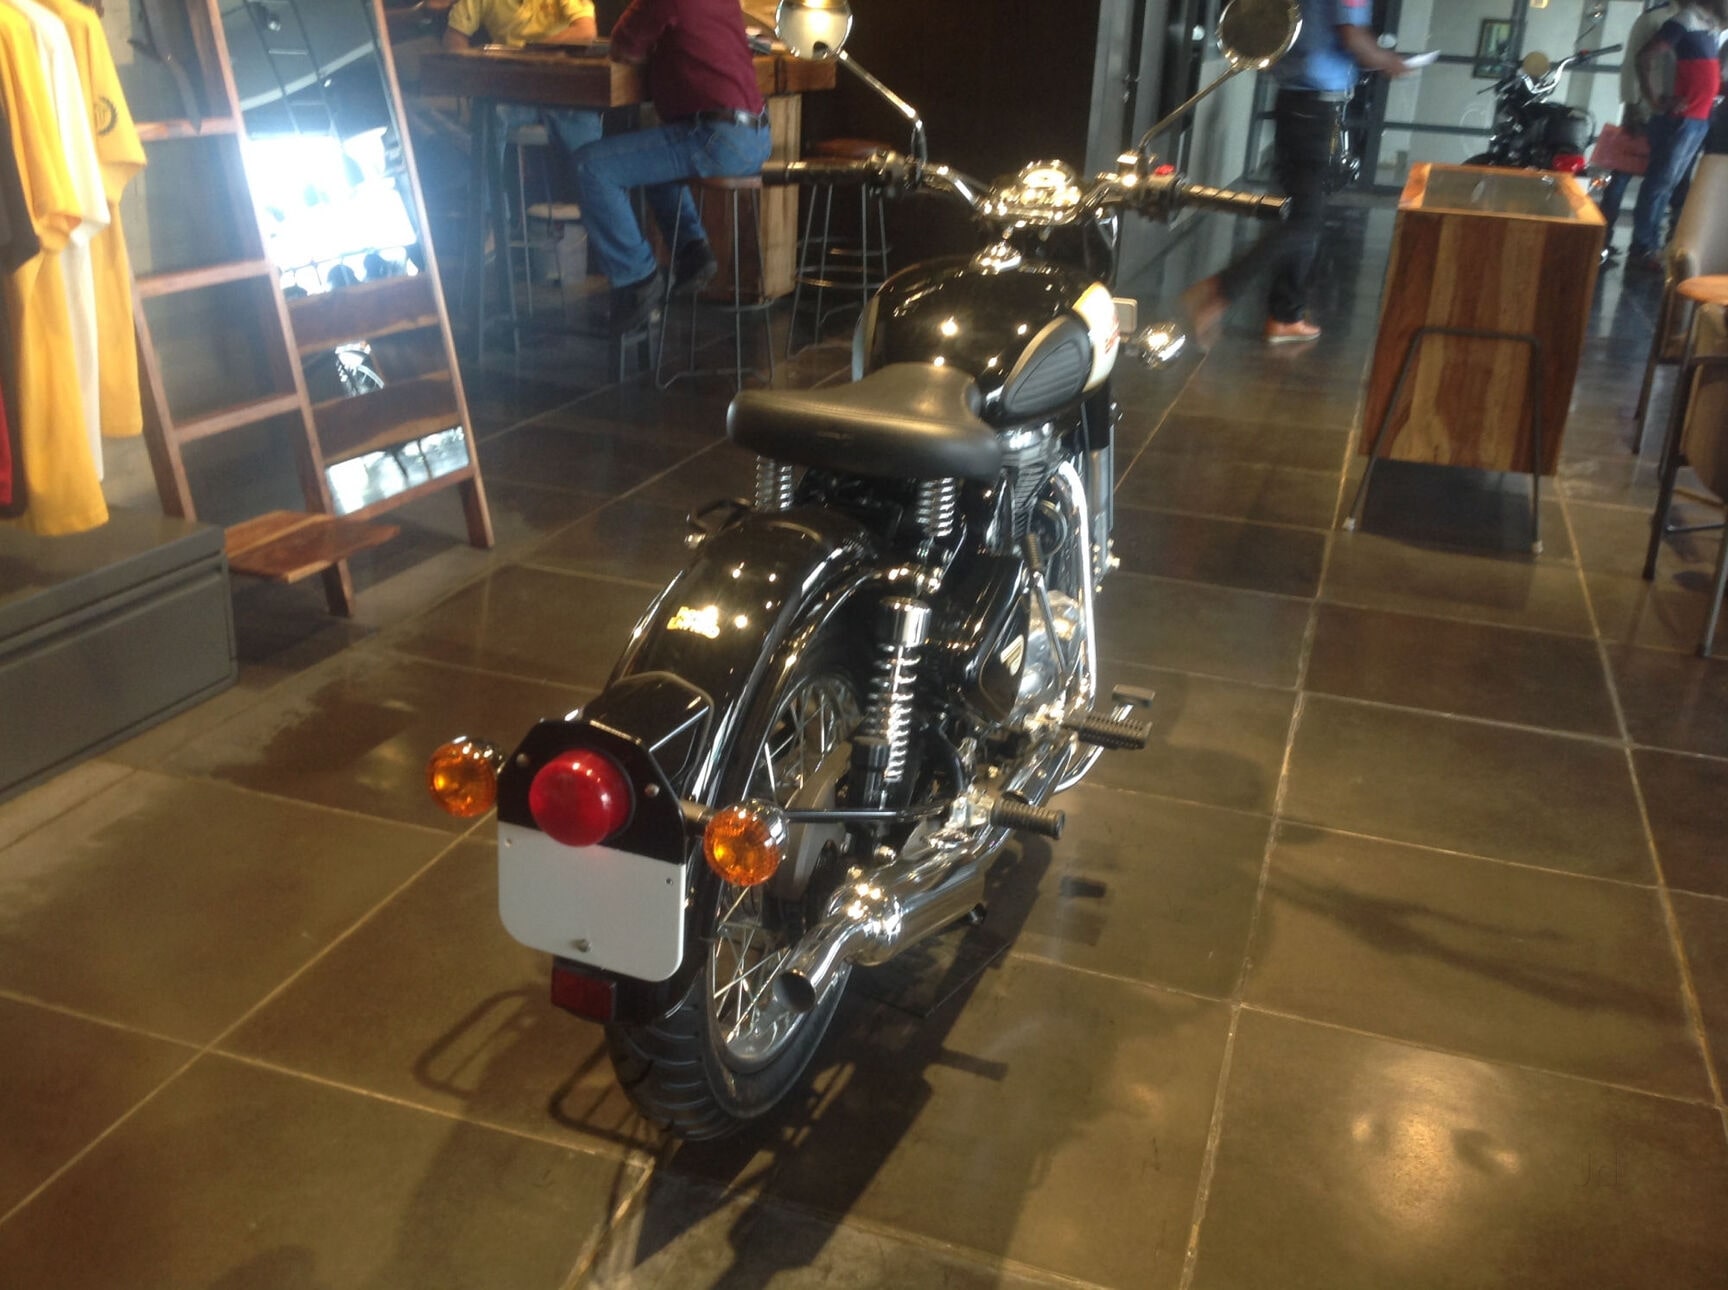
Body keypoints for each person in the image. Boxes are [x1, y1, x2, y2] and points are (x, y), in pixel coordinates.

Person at [1182, 0, 1409, 345]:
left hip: (1293, 101)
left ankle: (1285, 314)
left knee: (1303, 216)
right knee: (1305, 221)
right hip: (1316, 107)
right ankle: (1220, 290)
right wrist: (1389, 61)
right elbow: (1352, 36)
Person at [570, 0, 771, 334]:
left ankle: (638, 281)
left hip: (717, 136)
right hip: (755, 135)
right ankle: (691, 249)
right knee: (649, 154)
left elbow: (624, 50)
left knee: (590, 167)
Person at [1627, 0, 1728, 269]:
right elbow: (1645, 56)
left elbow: (1706, 77)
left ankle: (1650, 245)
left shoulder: (1708, 27)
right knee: (1660, 184)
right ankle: (1643, 247)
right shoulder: (1686, 20)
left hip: (1698, 118)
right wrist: (1656, 100)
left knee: (1668, 185)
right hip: (1683, 119)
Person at [441, 0, 606, 162]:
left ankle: (586, 177)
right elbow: (454, 38)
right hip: (511, 92)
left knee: (586, 133)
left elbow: (585, 31)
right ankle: (488, 179)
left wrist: (532, 53)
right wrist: (474, 76)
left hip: (562, 91)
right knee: (491, 113)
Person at [1599, 0, 1679, 260]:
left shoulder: (1682, 20)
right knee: (1623, 174)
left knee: (1655, 180)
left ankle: (1637, 242)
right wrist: (1632, 103)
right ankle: (1603, 238)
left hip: (1667, 111)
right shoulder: (1654, 19)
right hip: (1645, 108)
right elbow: (1633, 61)